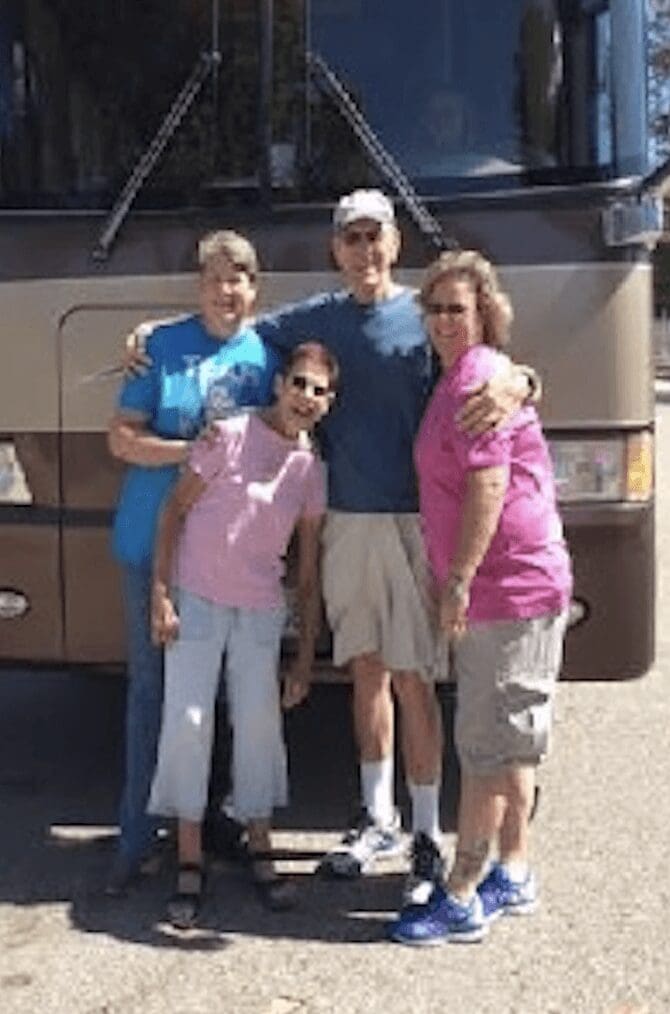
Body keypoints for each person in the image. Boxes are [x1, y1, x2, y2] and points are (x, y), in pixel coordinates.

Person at [122, 190, 540, 911]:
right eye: (351, 239)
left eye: (375, 238)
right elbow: (235, 328)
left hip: (413, 524)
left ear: (394, 243)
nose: (364, 251)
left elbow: (496, 370)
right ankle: (376, 819)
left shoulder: (431, 314)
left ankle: (426, 829)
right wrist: (157, 331)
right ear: (336, 249)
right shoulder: (315, 318)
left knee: (414, 680)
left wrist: (523, 379)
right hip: (344, 520)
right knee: (368, 673)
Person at [389, 249, 572, 945]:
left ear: (484, 312)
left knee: (488, 745)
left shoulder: (480, 380)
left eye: (455, 308)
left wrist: (458, 580)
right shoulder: (464, 376)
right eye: (433, 308)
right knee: (510, 737)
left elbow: (488, 488)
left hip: (509, 586)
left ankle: (463, 894)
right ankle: (514, 871)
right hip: (507, 586)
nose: (442, 320)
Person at [106, 230, 279, 893]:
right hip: (151, 543)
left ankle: (212, 830)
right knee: (150, 692)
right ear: (198, 286)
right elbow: (120, 440)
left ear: (253, 288)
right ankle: (134, 838)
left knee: (225, 699)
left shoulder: (268, 354)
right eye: (214, 277)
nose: (226, 289)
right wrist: (188, 452)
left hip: (232, 555)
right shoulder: (161, 347)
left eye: (238, 277)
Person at [148, 342, 336, 928]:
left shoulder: (309, 469)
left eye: (320, 391)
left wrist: (304, 655)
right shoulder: (226, 436)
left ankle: (258, 843)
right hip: (198, 600)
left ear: (329, 404)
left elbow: (305, 574)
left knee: (258, 724)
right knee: (189, 722)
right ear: (279, 384)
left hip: (260, 609)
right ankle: (189, 856)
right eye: (299, 383)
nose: (306, 397)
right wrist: (160, 594)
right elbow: (173, 514)